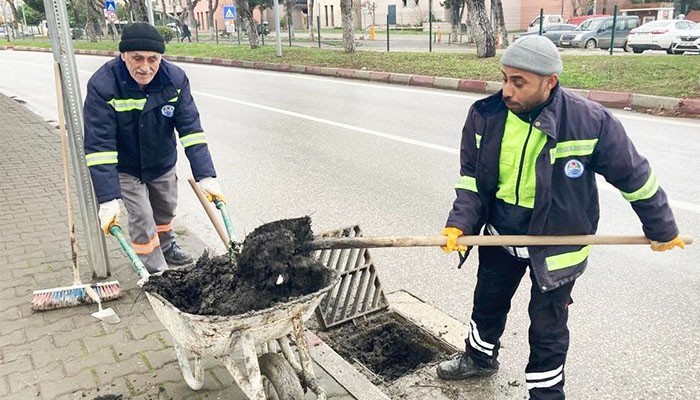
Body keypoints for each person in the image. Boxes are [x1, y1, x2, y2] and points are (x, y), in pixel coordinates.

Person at [437, 35, 685, 400]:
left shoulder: (591, 122)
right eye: (504, 78)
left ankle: (546, 394)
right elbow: (471, 179)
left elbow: (635, 177)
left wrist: (662, 229)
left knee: (548, 328)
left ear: (549, 81)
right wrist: (460, 222)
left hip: (557, 244)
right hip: (499, 235)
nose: (507, 90)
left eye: (518, 82)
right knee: (487, 303)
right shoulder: (485, 115)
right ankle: (479, 358)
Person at [84, 22, 225, 273]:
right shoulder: (104, 85)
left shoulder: (175, 80)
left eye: (152, 59)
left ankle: (167, 244)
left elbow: (191, 129)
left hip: (161, 161)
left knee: (165, 208)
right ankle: (156, 270)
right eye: (137, 58)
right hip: (126, 167)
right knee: (142, 217)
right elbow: (99, 145)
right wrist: (107, 198)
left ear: (161, 57)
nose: (145, 67)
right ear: (124, 55)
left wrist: (206, 175)